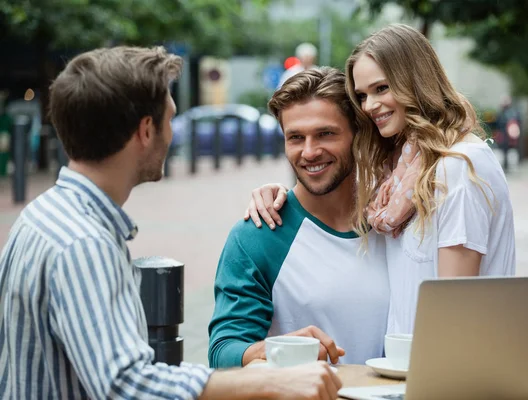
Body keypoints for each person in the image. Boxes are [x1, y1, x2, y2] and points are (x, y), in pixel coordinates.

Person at [0, 46, 341, 400]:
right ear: (146, 130)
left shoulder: (44, 215)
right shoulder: (83, 242)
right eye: (169, 119)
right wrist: (270, 381)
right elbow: (126, 384)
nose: (173, 134)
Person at [244, 24, 516, 335]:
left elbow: (454, 311)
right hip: (406, 370)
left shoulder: (460, 165)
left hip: (449, 375)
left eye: (381, 88)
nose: (370, 106)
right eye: (362, 95)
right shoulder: (399, 176)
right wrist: (281, 197)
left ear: (415, 81)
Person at [208, 67, 389, 369]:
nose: (309, 152)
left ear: (357, 133)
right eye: (295, 137)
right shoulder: (258, 234)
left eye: (325, 134)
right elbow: (223, 353)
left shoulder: (393, 219)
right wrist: (280, 349)